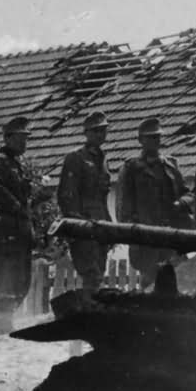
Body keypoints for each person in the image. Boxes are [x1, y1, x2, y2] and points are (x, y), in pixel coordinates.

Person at [116, 117, 196, 288]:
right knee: (149, 281)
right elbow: (123, 208)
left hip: (172, 234)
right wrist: (132, 234)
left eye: (158, 137)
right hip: (147, 237)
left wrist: (180, 203)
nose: (155, 141)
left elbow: (188, 193)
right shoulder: (131, 168)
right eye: (150, 137)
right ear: (140, 140)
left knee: (176, 280)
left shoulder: (171, 165)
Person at [0, 116, 36, 333]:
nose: (24, 143)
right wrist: (13, 205)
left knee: (22, 282)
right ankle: (4, 328)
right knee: (6, 282)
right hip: (6, 231)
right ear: (8, 138)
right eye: (20, 138)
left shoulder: (16, 164)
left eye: (26, 138)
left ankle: (7, 325)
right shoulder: (0, 161)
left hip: (19, 230)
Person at [58, 111, 113, 289]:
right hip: (83, 222)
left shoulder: (103, 160)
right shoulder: (75, 158)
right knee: (90, 272)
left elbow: (103, 197)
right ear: (86, 133)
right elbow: (67, 195)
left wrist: (109, 223)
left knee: (100, 268)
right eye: (96, 131)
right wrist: (76, 223)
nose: (100, 135)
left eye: (103, 131)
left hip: (101, 223)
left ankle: (94, 307)